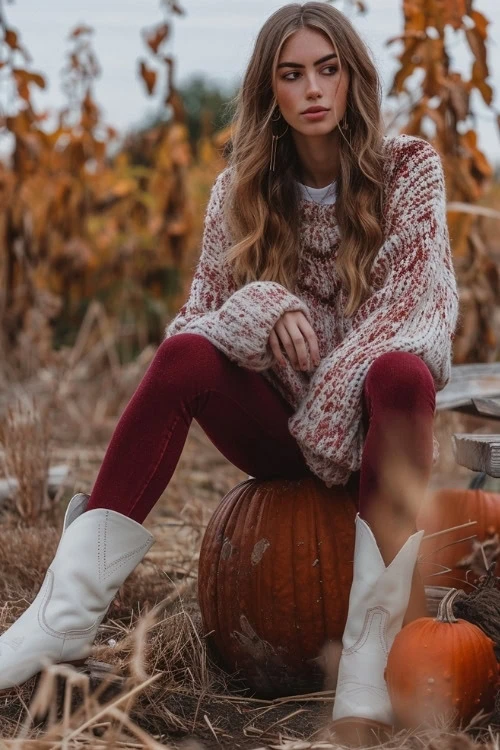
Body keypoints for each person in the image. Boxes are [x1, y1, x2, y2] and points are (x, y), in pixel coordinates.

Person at [0, 1, 458, 743]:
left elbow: (416, 314)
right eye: (292, 73)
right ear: (269, 90)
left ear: (351, 78)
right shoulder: (237, 191)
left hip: (374, 437)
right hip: (278, 434)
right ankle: (63, 617)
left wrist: (327, 416)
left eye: (327, 69)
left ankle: (367, 663)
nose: (313, 88)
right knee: (183, 358)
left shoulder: (408, 171)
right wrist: (261, 309)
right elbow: (194, 323)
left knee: (403, 372)